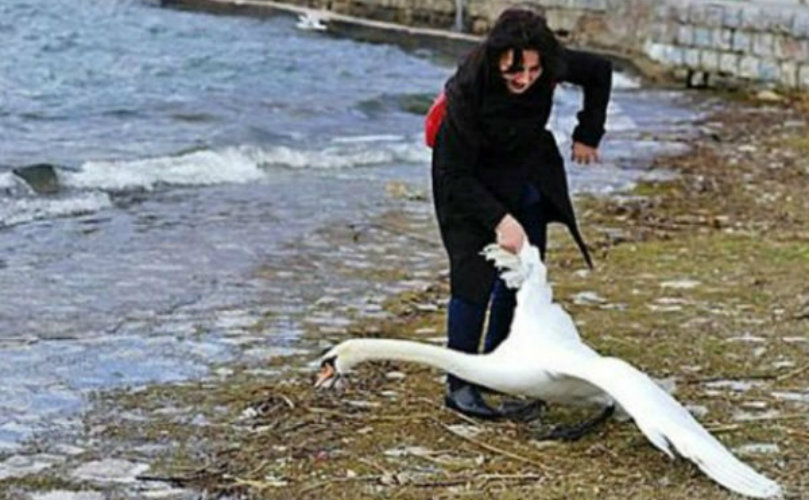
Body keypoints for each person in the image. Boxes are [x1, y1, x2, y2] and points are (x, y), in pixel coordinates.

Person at [431, 5, 612, 418]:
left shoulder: (547, 63)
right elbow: (452, 173)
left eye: (533, 71)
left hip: (525, 170)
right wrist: (499, 221)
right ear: (497, 59)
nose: (525, 79)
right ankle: (460, 385)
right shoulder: (468, 88)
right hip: (466, 181)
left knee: (523, 275)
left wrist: (589, 132)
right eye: (515, 71)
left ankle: (502, 367)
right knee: (473, 277)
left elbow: (599, 70)